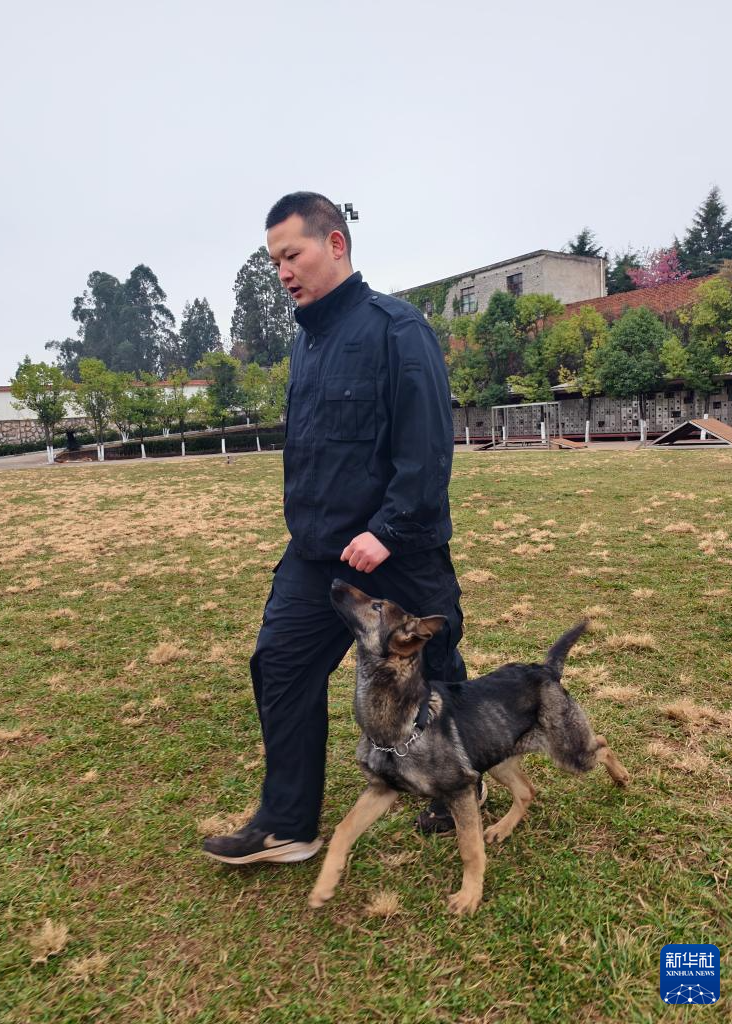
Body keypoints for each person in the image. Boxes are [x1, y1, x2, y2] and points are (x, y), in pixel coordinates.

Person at [203, 192, 467, 865]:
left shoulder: (398, 330)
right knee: (280, 665)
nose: (283, 272)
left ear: (336, 244)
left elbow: (427, 446)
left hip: (396, 551)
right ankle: (288, 824)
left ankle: (455, 782)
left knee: (433, 671)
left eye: (292, 255)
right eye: (275, 262)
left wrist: (388, 529)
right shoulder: (306, 343)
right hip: (317, 554)